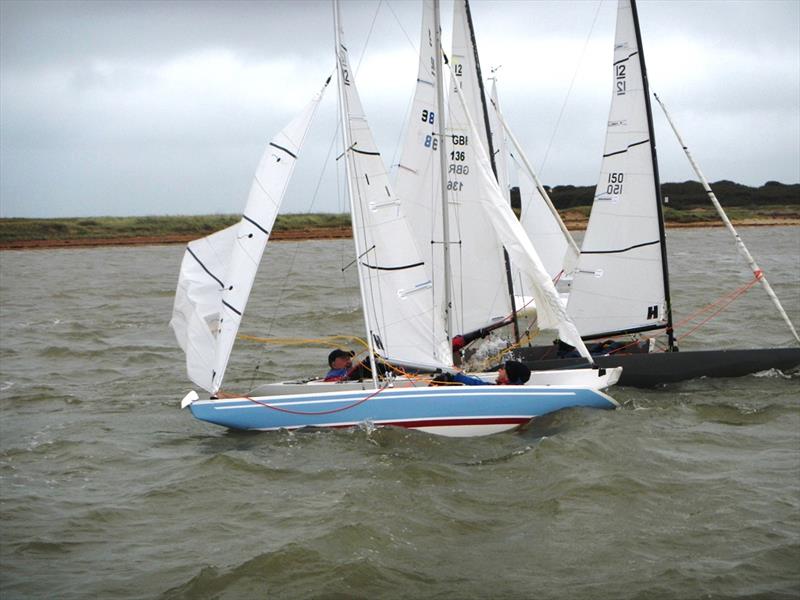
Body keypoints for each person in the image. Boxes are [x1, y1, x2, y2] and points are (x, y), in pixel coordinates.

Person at [432, 360, 531, 386]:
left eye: (502, 369)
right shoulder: (506, 386)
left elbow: (477, 384)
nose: (499, 370)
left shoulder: (503, 388)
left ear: (509, 375)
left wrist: (457, 376)